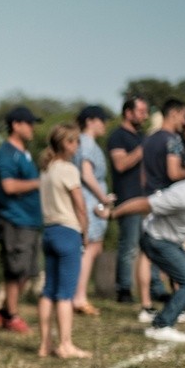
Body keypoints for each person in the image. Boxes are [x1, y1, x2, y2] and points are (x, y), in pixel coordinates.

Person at [113, 158, 185, 343]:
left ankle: (166, 320)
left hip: (171, 241)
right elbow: (145, 203)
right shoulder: (183, 195)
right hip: (157, 240)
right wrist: (113, 213)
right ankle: (161, 326)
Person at [37, 124, 92, 359]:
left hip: (48, 231)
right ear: (66, 144)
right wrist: (85, 231)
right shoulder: (68, 170)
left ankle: (44, 344)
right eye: (75, 142)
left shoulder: (46, 170)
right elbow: (80, 206)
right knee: (65, 293)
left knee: (48, 290)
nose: (77, 146)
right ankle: (66, 344)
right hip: (68, 232)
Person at [136, 99, 185, 322]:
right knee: (178, 250)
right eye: (183, 116)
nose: (184, 121)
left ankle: (145, 305)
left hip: (149, 197)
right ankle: (182, 304)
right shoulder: (173, 140)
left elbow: (142, 173)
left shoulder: (149, 139)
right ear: (175, 113)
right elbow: (173, 173)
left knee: (145, 255)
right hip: (168, 201)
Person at [0, 106, 43, 333]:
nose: (33, 128)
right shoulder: (6, 153)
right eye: (29, 123)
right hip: (15, 220)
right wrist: (40, 182)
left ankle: (4, 313)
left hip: (30, 221)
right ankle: (11, 316)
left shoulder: (24, 152)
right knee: (15, 270)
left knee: (26, 272)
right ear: (16, 125)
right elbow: (8, 186)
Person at [71, 105, 115, 315]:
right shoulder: (86, 143)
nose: (104, 125)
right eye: (101, 120)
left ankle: (78, 295)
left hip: (91, 201)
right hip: (90, 203)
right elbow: (87, 175)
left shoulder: (85, 143)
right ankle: (79, 297)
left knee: (92, 249)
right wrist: (103, 198)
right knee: (88, 250)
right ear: (90, 121)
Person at [107, 96, 149, 303]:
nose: (145, 116)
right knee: (129, 246)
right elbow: (121, 164)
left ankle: (154, 287)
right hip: (128, 198)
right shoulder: (118, 137)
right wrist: (143, 148)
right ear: (128, 113)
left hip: (146, 198)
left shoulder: (141, 136)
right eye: (141, 111)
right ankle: (123, 289)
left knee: (149, 245)